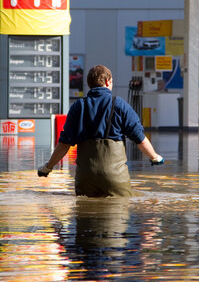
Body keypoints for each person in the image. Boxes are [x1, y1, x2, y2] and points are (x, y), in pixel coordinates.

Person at [38, 65, 163, 197]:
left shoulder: (78, 106)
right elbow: (140, 140)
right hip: (115, 180)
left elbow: (64, 144)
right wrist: (155, 157)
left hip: (85, 179)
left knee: (84, 213)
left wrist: (48, 167)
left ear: (89, 84)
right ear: (108, 81)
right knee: (118, 211)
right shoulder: (119, 105)